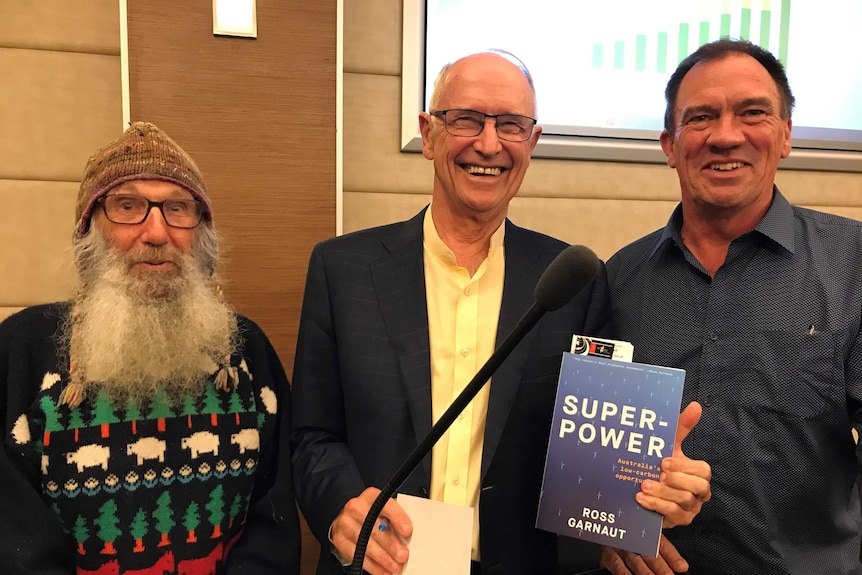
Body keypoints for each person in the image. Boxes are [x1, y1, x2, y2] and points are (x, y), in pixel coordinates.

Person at [291, 50, 711, 575]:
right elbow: (312, 437)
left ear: (531, 143)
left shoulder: (574, 280)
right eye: (466, 119)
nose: (488, 144)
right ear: (428, 132)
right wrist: (339, 511)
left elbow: (595, 466)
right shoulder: (341, 269)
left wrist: (647, 483)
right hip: (383, 564)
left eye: (510, 125)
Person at [605, 38, 862, 575]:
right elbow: (597, 458)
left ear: (786, 135)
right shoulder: (618, 280)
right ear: (669, 145)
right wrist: (610, 532)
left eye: (753, 113)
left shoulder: (852, 263)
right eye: (700, 117)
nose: (725, 136)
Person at [0, 122, 300, 574]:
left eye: (178, 209)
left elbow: (272, 529)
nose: (156, 232)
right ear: (89, 229)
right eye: (128, 206)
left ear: (202, 234)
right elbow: (15, 542)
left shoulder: (245, 352)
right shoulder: (21, 350)